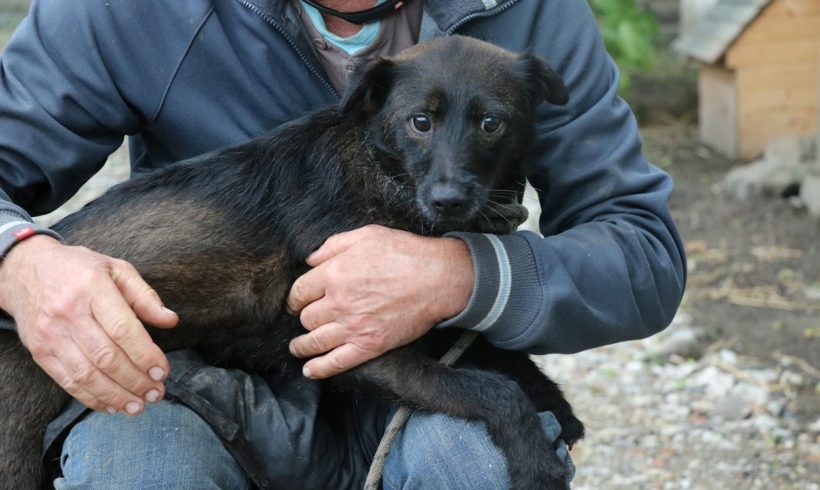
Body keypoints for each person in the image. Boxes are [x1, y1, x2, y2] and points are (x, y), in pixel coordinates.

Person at [0, 0, 686, 488]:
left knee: (484, 465)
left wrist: (463, 275)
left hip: (411, 377)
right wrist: (20, 258)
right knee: (140, 474)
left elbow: (642, 252)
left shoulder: (527, 15)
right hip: (193, 376)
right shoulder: (122, 10)